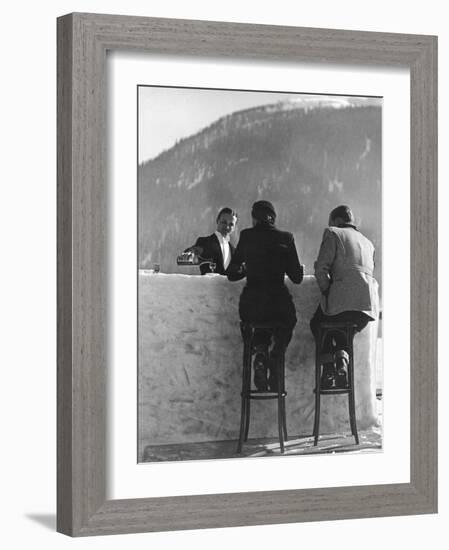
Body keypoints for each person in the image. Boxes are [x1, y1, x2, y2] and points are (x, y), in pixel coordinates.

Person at [227, 200, 304, 391]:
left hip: (251, 305)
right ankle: (276, 357)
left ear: (254, 218)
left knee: (259, 326)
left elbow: (232, 273)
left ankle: (260, 354)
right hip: (278, 304)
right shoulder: (286, 238)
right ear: (273, 219)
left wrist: (246, 268)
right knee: (288, 320)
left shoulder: (246, 236)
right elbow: (297, 278)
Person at [310, 205, 379, 389]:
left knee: (318, 324)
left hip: (342, 302)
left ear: (335, 220)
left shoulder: (333, 233)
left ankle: (328, 369)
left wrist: (326, 291)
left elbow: (321, 269)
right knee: (341, 332)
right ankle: (341, 361)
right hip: (366, 308)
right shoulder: (368, 242)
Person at [184, 208, 238, 275]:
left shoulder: (234, 251)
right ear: (217, 221)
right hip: (208, 285)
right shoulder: (204, 242)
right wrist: (192, 253)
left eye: (231, 224)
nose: (227, 227)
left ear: (234, 227)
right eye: (224, 222)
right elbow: (185, 258)